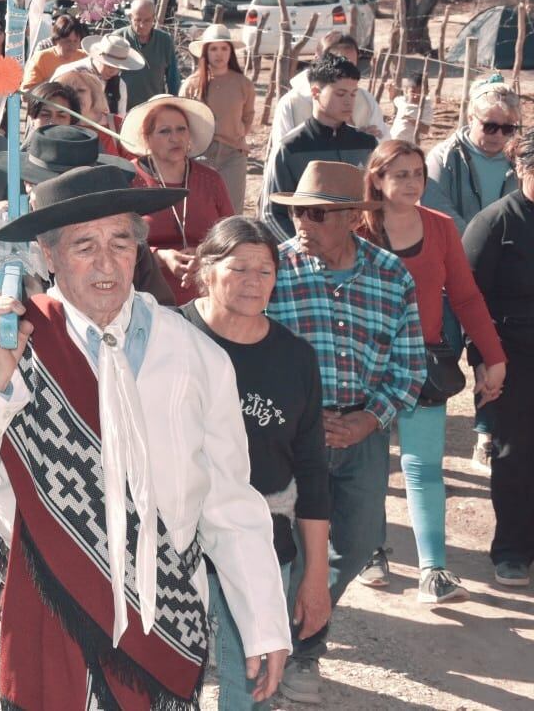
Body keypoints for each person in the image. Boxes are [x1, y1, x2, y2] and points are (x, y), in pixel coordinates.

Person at [0, 166, 290, 711]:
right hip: (42, 620)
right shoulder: (7, 344)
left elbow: (231, 503)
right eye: (83, 245)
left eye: (119, 242)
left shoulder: (196, 356)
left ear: (140, 250)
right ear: (48, 256)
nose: (105, 263)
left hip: (159, 622)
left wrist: (263, 624)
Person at [264, 161, 424, 702]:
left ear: (355, 216)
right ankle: (297, 653)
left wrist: (368, 420)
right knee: (279, 548)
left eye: (316, 213)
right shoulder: (272, 270)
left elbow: (410, 366)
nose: (301, 224)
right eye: (296, 213)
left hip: (364, 432)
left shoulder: (391, 274)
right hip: (287, 435)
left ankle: (290, 630)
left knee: (354, 545)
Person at [182, 218, 332, 711]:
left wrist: (313, 577)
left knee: (249, 681)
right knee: (162, 672)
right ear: (207, 270)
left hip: (261, 542)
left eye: (264, 271)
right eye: (238, 267)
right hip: (170, 537)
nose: (252, 281)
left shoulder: (295, 358)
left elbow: (311, 471)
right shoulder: (168, 338)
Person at [353, 140, 507, 603]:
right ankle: (369, 550)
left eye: (418, 173)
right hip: (365, 364)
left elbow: (465, 296)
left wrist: (492, 355)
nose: (412, 182)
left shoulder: (440, 228)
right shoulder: (356, 227)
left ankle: (433, 571)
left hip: (425, 361)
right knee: (370, 466)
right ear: (377, 178)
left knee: (423, 468)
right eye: (399, 174)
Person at [464, 130, 534, 587]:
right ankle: (512, 550)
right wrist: (484, 361)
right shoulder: (495, 224)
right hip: (512, 356)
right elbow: (469, 301)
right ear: (523, 169)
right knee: (516, 455)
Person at [123, 95, 234, 305]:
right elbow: (118, 241)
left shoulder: (210, 179)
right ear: (146, 138)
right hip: (146, 298)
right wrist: (160, 257)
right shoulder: (129, 179)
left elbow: (231, 236)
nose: (175, 138)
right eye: (164, 131)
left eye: (181, 129)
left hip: (207, 295)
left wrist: (203, 254)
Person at [259, 55, 378, 241]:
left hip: (360, 255)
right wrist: (304, 250)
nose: (349, 101)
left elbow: (378, 204)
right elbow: (271, 214)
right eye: (340, 94)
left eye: (353, 94)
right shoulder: (290, 147)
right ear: (315, 92)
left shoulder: (367, 144)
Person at [180, 24, 254, 213]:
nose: (219, 54)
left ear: (231, 52)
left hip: (233, 155)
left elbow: (248, 115)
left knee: (232, 211)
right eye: (213, 48)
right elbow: (182, 120)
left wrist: (239, 135)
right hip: (200, 154)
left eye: (224, 48)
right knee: (201, 210)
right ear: (205, 52)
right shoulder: (191, 85)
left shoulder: (243, 84)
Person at [424, 79, 519, 227]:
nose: (499, 135)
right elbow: (436, 208)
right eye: (490, 127)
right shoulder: (443, 158)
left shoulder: (523, 159)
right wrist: (476, 242)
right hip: (459, 247)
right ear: (470, 118)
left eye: (508, 129)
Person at [267, 37, 385, 150]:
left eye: (352, 66)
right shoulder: (291, 104)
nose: (348, 72)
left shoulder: (366, 101)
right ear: (319, 60)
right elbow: (283, 152)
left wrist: (367, 141)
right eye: (339, 65)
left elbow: (384, 147)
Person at [54, 35, 147, 129]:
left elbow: (120, 120)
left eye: (119, 68)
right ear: (98, 57)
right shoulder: (68, 73)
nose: (114, 72)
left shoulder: (119, 85)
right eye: (109, 66)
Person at [112, 0, 180, 108]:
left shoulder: (164, 41)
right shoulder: (118, 39)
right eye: (138, 20)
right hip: (122, 107)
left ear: (154, 18)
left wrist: (174, 105)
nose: (142, 25)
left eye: (147, 20)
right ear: (130, 18)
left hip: (154, 107)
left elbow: (173, 79)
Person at [21, 14, 87, 90]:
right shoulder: (41, 58)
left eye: (75, 41)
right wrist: (55, 81)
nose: (72, 46)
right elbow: (25, 94)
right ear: (56, 40)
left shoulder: (84, 58)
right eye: (67, 41)